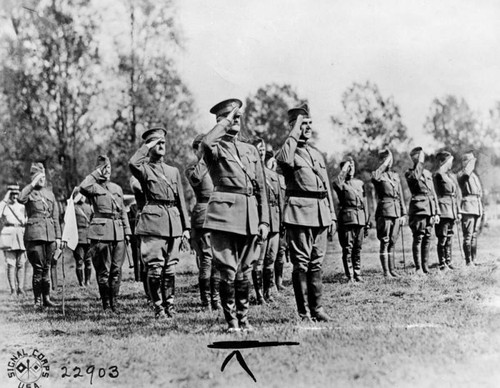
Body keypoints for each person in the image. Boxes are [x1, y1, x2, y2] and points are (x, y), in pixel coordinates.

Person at [200, 98, 269, 332]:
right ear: (220, 120)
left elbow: (261, 188)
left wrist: (264, 220)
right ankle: (231, 322)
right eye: (230, 116)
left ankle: (244, 317)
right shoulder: (215, 148)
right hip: (225, 213)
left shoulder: (249, 150)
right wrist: (225, 123)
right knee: (227, 269)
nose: (235, 120)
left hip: (250, 213)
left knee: (245, 268)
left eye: (238, 116)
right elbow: (207, 141)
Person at [276, 104, 336, 322]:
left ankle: (317, 309)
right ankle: (304, 313)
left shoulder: (316, 153)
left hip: (320, 212)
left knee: (316, 263)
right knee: (301, 263)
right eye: (303, 124)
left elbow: (326, 185)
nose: (308, 128)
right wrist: (295, 130)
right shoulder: (288, 152)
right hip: (299, 213)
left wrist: (332, 214)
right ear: (293, 127)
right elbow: (282, 159)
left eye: (310, 123)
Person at [129, 126, 190, 319]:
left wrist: (186, 228)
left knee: (170, 268)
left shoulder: (173, 171)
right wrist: (147, 146)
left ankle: (170, 305)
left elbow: (181, 200)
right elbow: (133, 163)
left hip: (173, 222)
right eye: (157, 143)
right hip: (153, 222)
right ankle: (158, 307)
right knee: (155, 268)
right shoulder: (144, 169)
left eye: (163, 142)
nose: (161, 146)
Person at [80, 155, 131, 312]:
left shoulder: (117, 189)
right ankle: (106, 305)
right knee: (104, 271)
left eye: (109, 168)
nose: (107, 171)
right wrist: (96, 173)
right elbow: (83, 186)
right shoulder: (93, 187)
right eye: (104, 168)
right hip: (101, 233)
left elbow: (122, 211)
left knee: (116, 269)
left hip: (118, 232)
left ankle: (114, 302)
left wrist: (127, 231)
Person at [18, 163, 61, 308]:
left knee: (47, 267)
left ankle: (47, 298)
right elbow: (20, 198)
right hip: (35, 235)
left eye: (43, 176)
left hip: (50, 236)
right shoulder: (28, 192)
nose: (42, 179)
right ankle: (37, 301)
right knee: (38, 268)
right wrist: (32, 184)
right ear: (33, 177)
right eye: (39, 177)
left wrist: (58, 237)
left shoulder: (50, 194)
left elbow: (55, 217)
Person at [185, 134, 221, 310]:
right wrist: (203, 157)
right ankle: (206, 300)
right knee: (207, 258)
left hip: (218, 213)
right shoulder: (193, 168)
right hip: (203, 214)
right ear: (194, 150)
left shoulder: (215, 165)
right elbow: (197, 180)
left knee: (217, 259)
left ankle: (216, 299)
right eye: (201, 147)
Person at [251, 139, 283, 304]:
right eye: (258, 148)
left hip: (275, 219)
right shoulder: (251, 173)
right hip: (259, 219)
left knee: (271, 258)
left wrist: (282, 221)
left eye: (263, 148)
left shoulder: (273, 175)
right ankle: (258, 295)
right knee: (259, 259)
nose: (262, 151)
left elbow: (279, 200)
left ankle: (268, 292)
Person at [405, 147, 440, 274]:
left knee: (427, 237)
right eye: (419, 157)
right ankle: (418, 267)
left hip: (429, 209)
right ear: (414, 158)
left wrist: (436, 211)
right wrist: (419, 162)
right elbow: (415, 177)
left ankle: (425, 267)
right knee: (418, 237)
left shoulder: (427, 173)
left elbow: (433, 192)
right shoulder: (409, 173)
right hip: (418, 209)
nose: (422, 159)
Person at [371, 149, 406, 278]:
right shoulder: (377, 175)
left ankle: (392, 269)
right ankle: (386, 272)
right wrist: (385, 163)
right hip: (385, 211)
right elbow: (375, 177)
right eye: (386, 160)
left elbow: (400, 195)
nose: (389, 163)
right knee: (385, 241)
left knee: (392, 241)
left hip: (396, 210)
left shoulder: (395, 176)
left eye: (390, 160)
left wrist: (403, 213)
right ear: (381, 161)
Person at [333, 157, 368, 283]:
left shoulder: (359, 183)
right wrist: (344, 168)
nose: (351, 169)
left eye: (352, 167)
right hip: (347, 219)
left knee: (358, 247)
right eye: (348, 167)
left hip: (360, 218)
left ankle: (358, 273)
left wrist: (366, 221)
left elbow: (365, 203)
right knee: (348, 248)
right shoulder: (341, 184)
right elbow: (336, 182)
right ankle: (350, 275)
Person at [433, 151, 460, 270]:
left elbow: (455, 194)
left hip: (451, 209)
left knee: (449, 236)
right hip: (443, 209)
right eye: (450, 161)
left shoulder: (450, 175)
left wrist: (458, 211)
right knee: (442, 237)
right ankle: (442, 263)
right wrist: (436, 211)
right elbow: (435, 194)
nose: (451, 164)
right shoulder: (438, 175)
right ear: (443, 161)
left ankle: (449, 261)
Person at [457, 151, 483, 266]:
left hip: (476, 206)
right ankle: (468, 261)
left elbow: (479, 192)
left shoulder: (474, 176)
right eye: (471, 162)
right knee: (468, 235)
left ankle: (474, 259)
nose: (473, 164)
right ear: (465, 163)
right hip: (467, 207)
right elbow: (465, 175)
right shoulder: (462, 174)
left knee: (474, 235)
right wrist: (469, 165)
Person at [0, 185, 27, 296]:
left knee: (21, 263)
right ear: (8, 195)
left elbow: (28, 218)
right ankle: (13, 289)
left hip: (21, 233)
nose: (14, 196)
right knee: (11, 264)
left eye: (16, 194)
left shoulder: (23, 207)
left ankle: (20, 288)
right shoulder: (4, 206)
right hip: (9, 234)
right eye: (12, 194)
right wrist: (5, 199)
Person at [72, 189, 93, 286]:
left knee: (88, 260)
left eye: (84, 195)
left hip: (89, 236)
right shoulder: (73, 208)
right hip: (78, 237)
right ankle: (81, 282)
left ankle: (87, 281)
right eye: (81, 195)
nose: (83, 197)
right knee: (79, 261)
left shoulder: (89, 207)